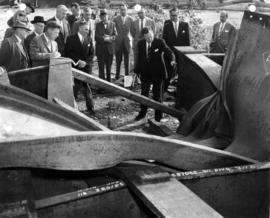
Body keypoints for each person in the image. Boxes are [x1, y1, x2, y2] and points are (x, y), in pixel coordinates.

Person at [134, 27, 175, 122]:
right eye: (148, 37)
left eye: (151, 36)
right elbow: (140, 58)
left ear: (153, 33)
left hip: (158, 72)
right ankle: (142, 113)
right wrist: (136, 71)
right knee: (144, 94)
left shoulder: (160, 42)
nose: (150, 39)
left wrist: (172, 60)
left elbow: (169, 52)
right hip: (145, 73)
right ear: (144, 37)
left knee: (157, 96)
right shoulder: (140, 44)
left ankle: (158, 116)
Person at [65, 20, 95, 113]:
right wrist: (78, 61)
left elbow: (92, 54)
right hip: (75, 67)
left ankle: (90, 108)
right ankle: (71, 108)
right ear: (80, 28)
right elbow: (68, 52)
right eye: (86, 29)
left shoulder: (89, 39)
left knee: (87, 88)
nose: (87, 31)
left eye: (88, 29)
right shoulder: (70, 38)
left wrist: (85, 62)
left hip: (86, 67)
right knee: (75, 87)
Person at [162, 7, 190, 92]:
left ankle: (180, 91)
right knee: (169, 72)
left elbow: (187, 41)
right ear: (170, 16)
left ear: (178, 15)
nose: (173, 17)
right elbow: (164, 41)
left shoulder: (185, 25)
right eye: (172, 16)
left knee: (181, 73)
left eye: (175, 15)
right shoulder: (167, 26)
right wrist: (167, 54)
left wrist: (186, 54)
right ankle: (163, 91)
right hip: (171, 54)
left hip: (181, 54)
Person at [95, 9, 117, 82]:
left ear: (108, 16)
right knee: (101, 68)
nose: (103, 17)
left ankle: (109, 83)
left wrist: (110, 38)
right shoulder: (97, 25)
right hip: (100, 50)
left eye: (105, 15)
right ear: (100, 17)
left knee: (109, 68)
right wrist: (104, 39)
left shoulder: (112, 24)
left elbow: (115, 35)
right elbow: (96, 37)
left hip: (109, 50)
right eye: (102, 16)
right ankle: (101, 84)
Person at [113, 4, 133, 80]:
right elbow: (113, 30)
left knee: (127, 62)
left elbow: (133, 32)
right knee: (118, 61)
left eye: (124, 9)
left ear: (126, 10)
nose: (123, 11)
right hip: (118, 43)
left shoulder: (131, 19)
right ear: (119, 10)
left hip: (127, 43)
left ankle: (127, 81)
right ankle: (117, 77)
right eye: (121, 9)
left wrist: (130, 39)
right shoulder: (115, 19)